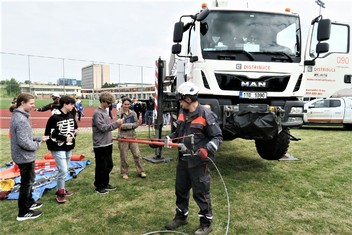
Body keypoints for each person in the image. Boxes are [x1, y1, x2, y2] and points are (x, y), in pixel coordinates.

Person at [165, 82, 223, 235]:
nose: (180, 102)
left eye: (181, 99)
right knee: (180, 190)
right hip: (183, 161)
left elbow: (217, 137)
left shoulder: (206, 114)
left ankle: (206, 224)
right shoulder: (182, 113)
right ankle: (181, 217)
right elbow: (178, 134)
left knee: (201, 193)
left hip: (199, 163)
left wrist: (207, 149)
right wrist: (167, 139)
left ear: (189, 99)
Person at [9, 93, 49, 221]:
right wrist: (37, 144)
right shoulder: (20, 119)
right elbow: (24, 142)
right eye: (31, 103)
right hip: (24, 156)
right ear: (22, 103)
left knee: (29, 181)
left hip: (24, 156)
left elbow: (25, 137)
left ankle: (30, 202)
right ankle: (23, 212)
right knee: (26, 184)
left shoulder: (20, 116)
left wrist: (38, 138)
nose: (33, 106)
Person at [44, 95, 79, 203]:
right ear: (65, 104)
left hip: (68, 146)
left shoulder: (70, 115)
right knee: (63, 170)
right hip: (57, 146)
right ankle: (60, 192)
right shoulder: (54, 117)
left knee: (66, 169)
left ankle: (62, 188)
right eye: (71, 104)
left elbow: (75, 127)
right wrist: (64, 137)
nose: (73, 106)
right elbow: (49, 134)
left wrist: (76, 132)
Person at [92, 92, 122, 194]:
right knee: (101, 166)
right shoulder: (97, 113)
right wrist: (116, 124)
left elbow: (107, 127)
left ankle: (105, 183)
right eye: (108, 103)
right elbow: (103, 128)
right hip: (100, 144)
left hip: (108, 143)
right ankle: (99, 186)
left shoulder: (105, 111)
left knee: (109, 165)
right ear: (103, 101)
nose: (110, 105)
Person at [116, 97, 146, 180]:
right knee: (124, 156)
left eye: (128, 104)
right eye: (125, 104)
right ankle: (124, 172)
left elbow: (137, 124)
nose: (126, 106)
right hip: (123, 138)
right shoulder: (119, 114)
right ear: (122, 104)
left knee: (137, 155)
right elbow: (119, 126)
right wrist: (131, 125)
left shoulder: (133, 113)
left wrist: (130, 125)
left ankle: (141, 171)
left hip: (133, 137)